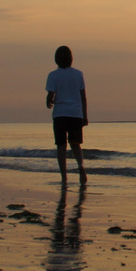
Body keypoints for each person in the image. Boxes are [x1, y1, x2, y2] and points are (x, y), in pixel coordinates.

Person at [44, 46, 88, 185]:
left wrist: (48, 102)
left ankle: (64, 177)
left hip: (60, 114)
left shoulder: (53, 75)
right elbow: (83, 97)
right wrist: (85, 115)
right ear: (71, 58)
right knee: (76, 144)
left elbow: (51, 95)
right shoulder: (78, 74)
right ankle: (81, 167)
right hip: (75, 113)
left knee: (61, 146)